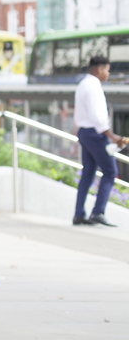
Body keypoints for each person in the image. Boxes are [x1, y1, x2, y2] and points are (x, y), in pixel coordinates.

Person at [73, 54, 125, 226]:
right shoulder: (93, 86)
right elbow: (98, 116)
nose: (108, 74)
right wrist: (112, 136)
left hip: (84, 133)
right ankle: (98, 212)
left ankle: (79, 214)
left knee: (88, 173)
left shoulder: (82, 84)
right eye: (108, 70)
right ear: (99, 70)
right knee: (110, 171)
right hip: (95, 134)